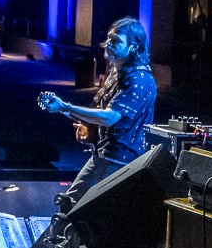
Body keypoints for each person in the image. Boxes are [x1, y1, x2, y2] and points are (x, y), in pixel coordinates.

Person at [37, 16, 158, 207]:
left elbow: (109, 117)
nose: (108, 43)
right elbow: (98, 115)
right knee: (72, 207)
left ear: (133, 46)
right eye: (109, 38)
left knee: (77, 209)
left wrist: (66, 107)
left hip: (119, 162)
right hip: (105, 156)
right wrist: (64, 110)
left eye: (116, 40)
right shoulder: (116, 74)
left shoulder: (138, 79)